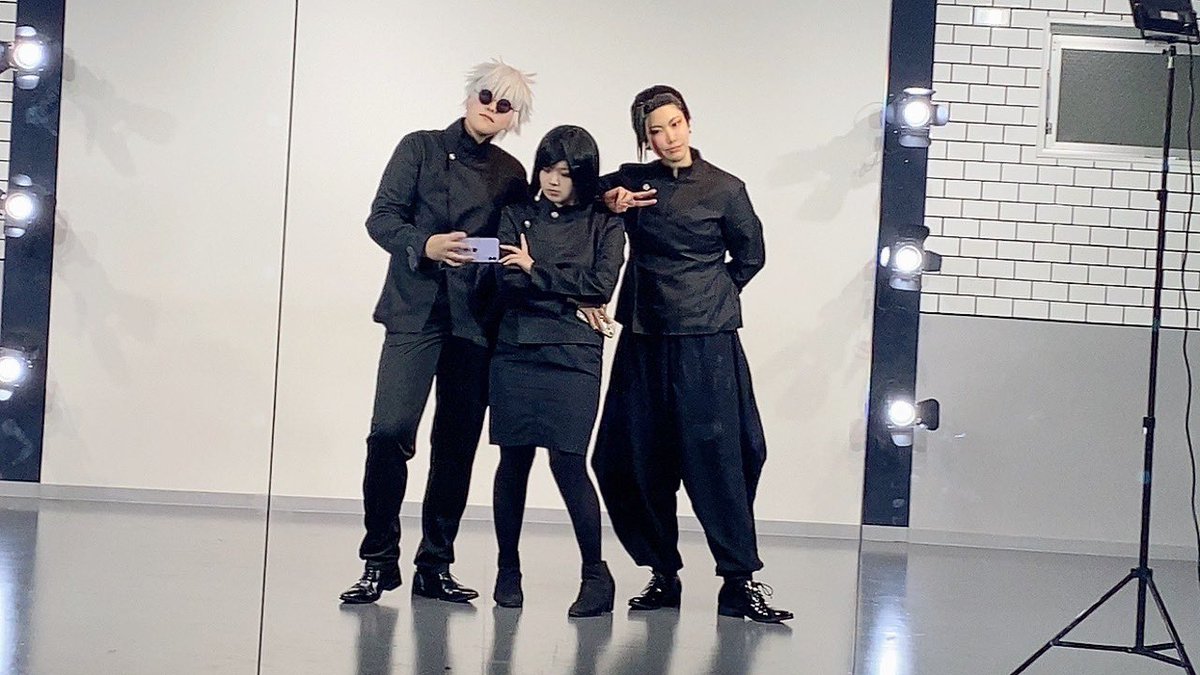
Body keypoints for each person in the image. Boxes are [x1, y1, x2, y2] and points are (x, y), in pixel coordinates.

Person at [591, 85, 793, 623]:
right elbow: (582, 190)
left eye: (674, 124)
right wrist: (609, 200)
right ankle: (662, 573)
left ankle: (739, 581)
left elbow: (751, 255)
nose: (667, 138)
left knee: (721, 458)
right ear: (645, 138)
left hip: (707, 341)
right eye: (655, 131)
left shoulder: (725, 188)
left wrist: (713, 294)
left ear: (689, 122)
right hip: (643, 337)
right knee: (631, 457)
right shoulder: (634, 181)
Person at [340, 60, 534, 605]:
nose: (491, 108)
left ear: (513, 118)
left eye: (504, 105)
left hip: (474, 321)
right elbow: (381, 217)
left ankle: (435, 564)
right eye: (486, 95)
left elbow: (518, 239)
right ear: (470, 95)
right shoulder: (420, 147)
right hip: (414, 311)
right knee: (389, 432)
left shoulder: (511, 172)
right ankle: (379, 561)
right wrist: (424, 245)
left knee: (455, 446)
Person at [487, 125, 625, 618]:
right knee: (514, 459)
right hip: (516, 347)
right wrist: (570, 295)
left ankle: (595, 574)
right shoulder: (516, 214)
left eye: (564, 173)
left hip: (574, 354)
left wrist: (536, 268)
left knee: (568, 461)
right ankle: (507, 569)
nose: (552, 180)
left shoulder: (605, 222)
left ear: (582, 176)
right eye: (546, 169)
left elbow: (601, 286)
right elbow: (507, 283)